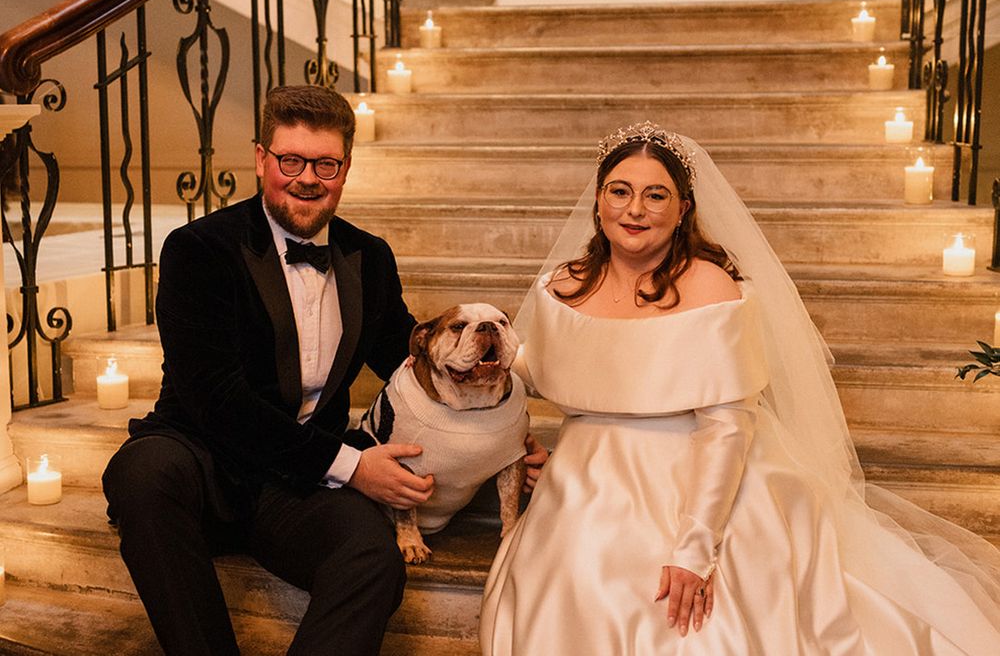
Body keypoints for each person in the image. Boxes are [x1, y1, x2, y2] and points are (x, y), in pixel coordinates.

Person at [480, 121, 1000, 655]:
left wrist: (694, 550)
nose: (634, 209)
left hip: (697, 470)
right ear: (598, 200)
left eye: (655, 194)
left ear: (682, 208)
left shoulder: (710, 287)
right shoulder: (560, 286)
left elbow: (727, 425)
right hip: (584, 474)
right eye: (620, 191)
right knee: (571, 579)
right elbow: (538, 370)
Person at [102, 85, 434, 656]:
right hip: (202, 459)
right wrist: (350, 465)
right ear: (261, 160)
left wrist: (498, 419)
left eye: (325, 163)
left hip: (295, 484)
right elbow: (212, 396)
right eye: (291, 161)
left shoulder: (369, 256)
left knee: (373, 559)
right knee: (142, 474)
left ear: (346, 168)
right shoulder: (198, 248)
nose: (308, 178)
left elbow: (410, 362)